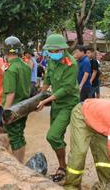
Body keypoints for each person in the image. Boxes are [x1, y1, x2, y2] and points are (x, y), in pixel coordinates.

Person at [36, 34, 79, 182]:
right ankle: (62, 167)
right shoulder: (51, 60)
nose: (52, 54)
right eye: (50, 51)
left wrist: (45, 100)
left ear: (62, 49)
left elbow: (65, 89)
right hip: (56, 103)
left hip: (68, 104)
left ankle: (64, 166)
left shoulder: (71, 64)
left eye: (54, 51)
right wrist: (39, 96)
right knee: (57, 138)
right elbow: (48, 79)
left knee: (52, 136)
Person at [2, 36, 31, 163]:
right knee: (19, 135)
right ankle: (20, 162)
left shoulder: (10, 69)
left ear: (5, 51)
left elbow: (11, 93)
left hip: (13, 108)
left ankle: (18, 164)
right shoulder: (25, 66)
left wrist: (5, 112)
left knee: (14, 137)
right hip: (24, 106)